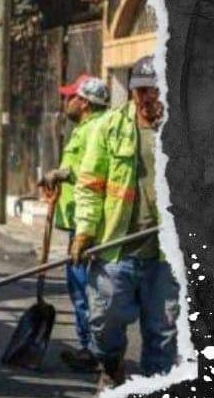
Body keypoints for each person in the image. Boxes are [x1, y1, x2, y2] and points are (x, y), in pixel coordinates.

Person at [73, 55, 177, 389]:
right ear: (133, 93)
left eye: (156, 89)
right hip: (116, 249)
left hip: (164, 255)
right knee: (104, 323)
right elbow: (89, 185)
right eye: (143, 90)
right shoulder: (110, 127)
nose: (150, 97)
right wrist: (86, 231)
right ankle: (111, 364)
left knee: (163, 331)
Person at [40, 74, 110, 372]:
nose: (66, 102)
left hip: (86, 225)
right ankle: (91, 347)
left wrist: (63, 174)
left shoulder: (95, 129)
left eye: (71, 97)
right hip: (78, 221)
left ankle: (92, 350)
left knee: (85, 288)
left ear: (83, 102)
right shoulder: (86, 127)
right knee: (81, 285)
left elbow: (90, 170)